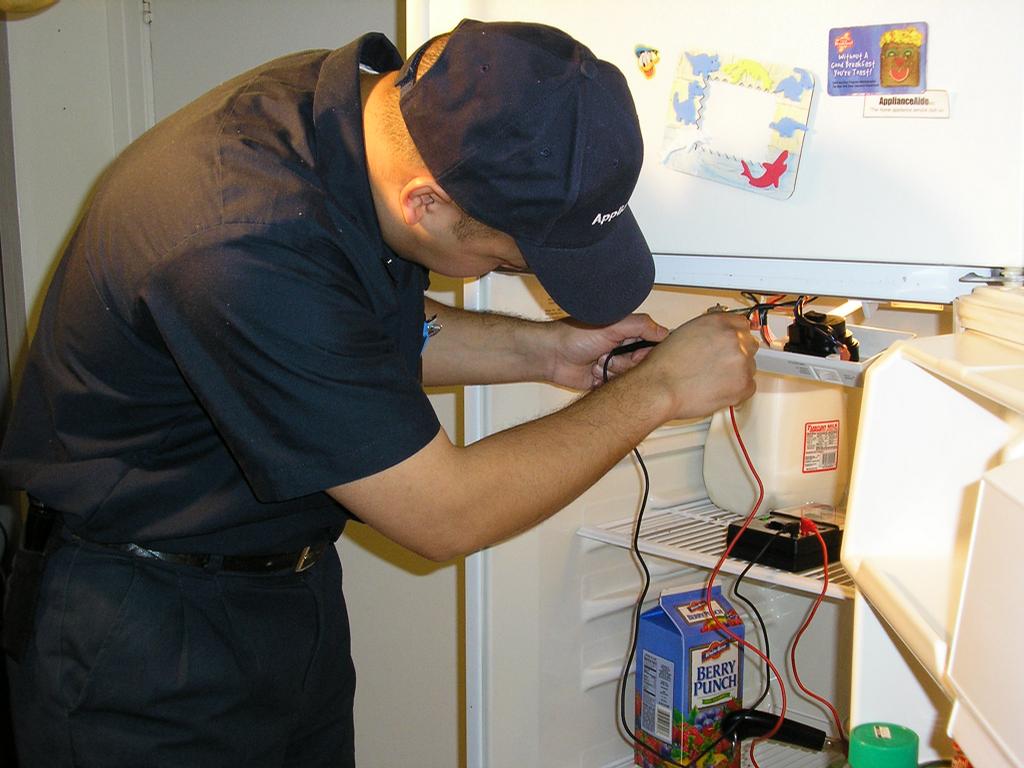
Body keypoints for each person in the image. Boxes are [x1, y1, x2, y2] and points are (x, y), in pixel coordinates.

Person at [0, 18, 757, 768]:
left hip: (280, 595)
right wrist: (656, 392)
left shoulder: (356, 122)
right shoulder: (242, 240)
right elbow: (445, 513)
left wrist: (553, 352)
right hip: (143, 636)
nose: (512, 275)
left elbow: (349, 331)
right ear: (423, 204)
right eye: (507, 259)